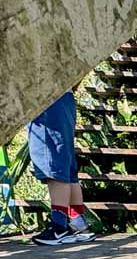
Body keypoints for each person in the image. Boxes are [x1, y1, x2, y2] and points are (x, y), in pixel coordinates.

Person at [27, 90, 95, 245]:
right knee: (66, 167)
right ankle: (78, 223)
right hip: (65, 99)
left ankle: (59, 227)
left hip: (46, 100)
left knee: (54, 166)